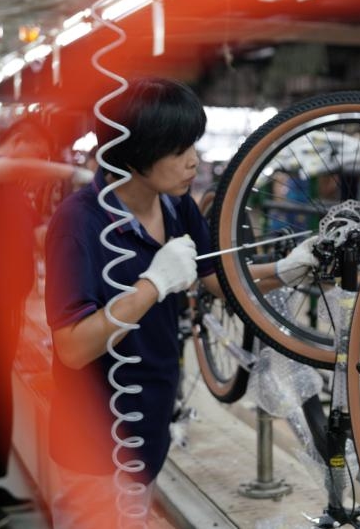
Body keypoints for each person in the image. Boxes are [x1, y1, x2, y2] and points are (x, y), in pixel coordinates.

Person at [42, 78, 318, 528]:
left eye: (193, 145)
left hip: (149, 425)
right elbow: (72, 348)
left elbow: (217, 280)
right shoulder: (78, 222)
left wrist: (286, 269)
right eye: (178, 150)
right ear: (134, 154)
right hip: (92, 443)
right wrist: (153, 284)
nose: (194, 161)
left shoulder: (175, 207)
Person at [0, 118, 91, 529]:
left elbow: (40, 236)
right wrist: (73, 172)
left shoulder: (15, 194)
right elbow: (17, 167)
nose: (37, 164)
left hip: (5, 308)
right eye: (37, 152)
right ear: (18, 140)